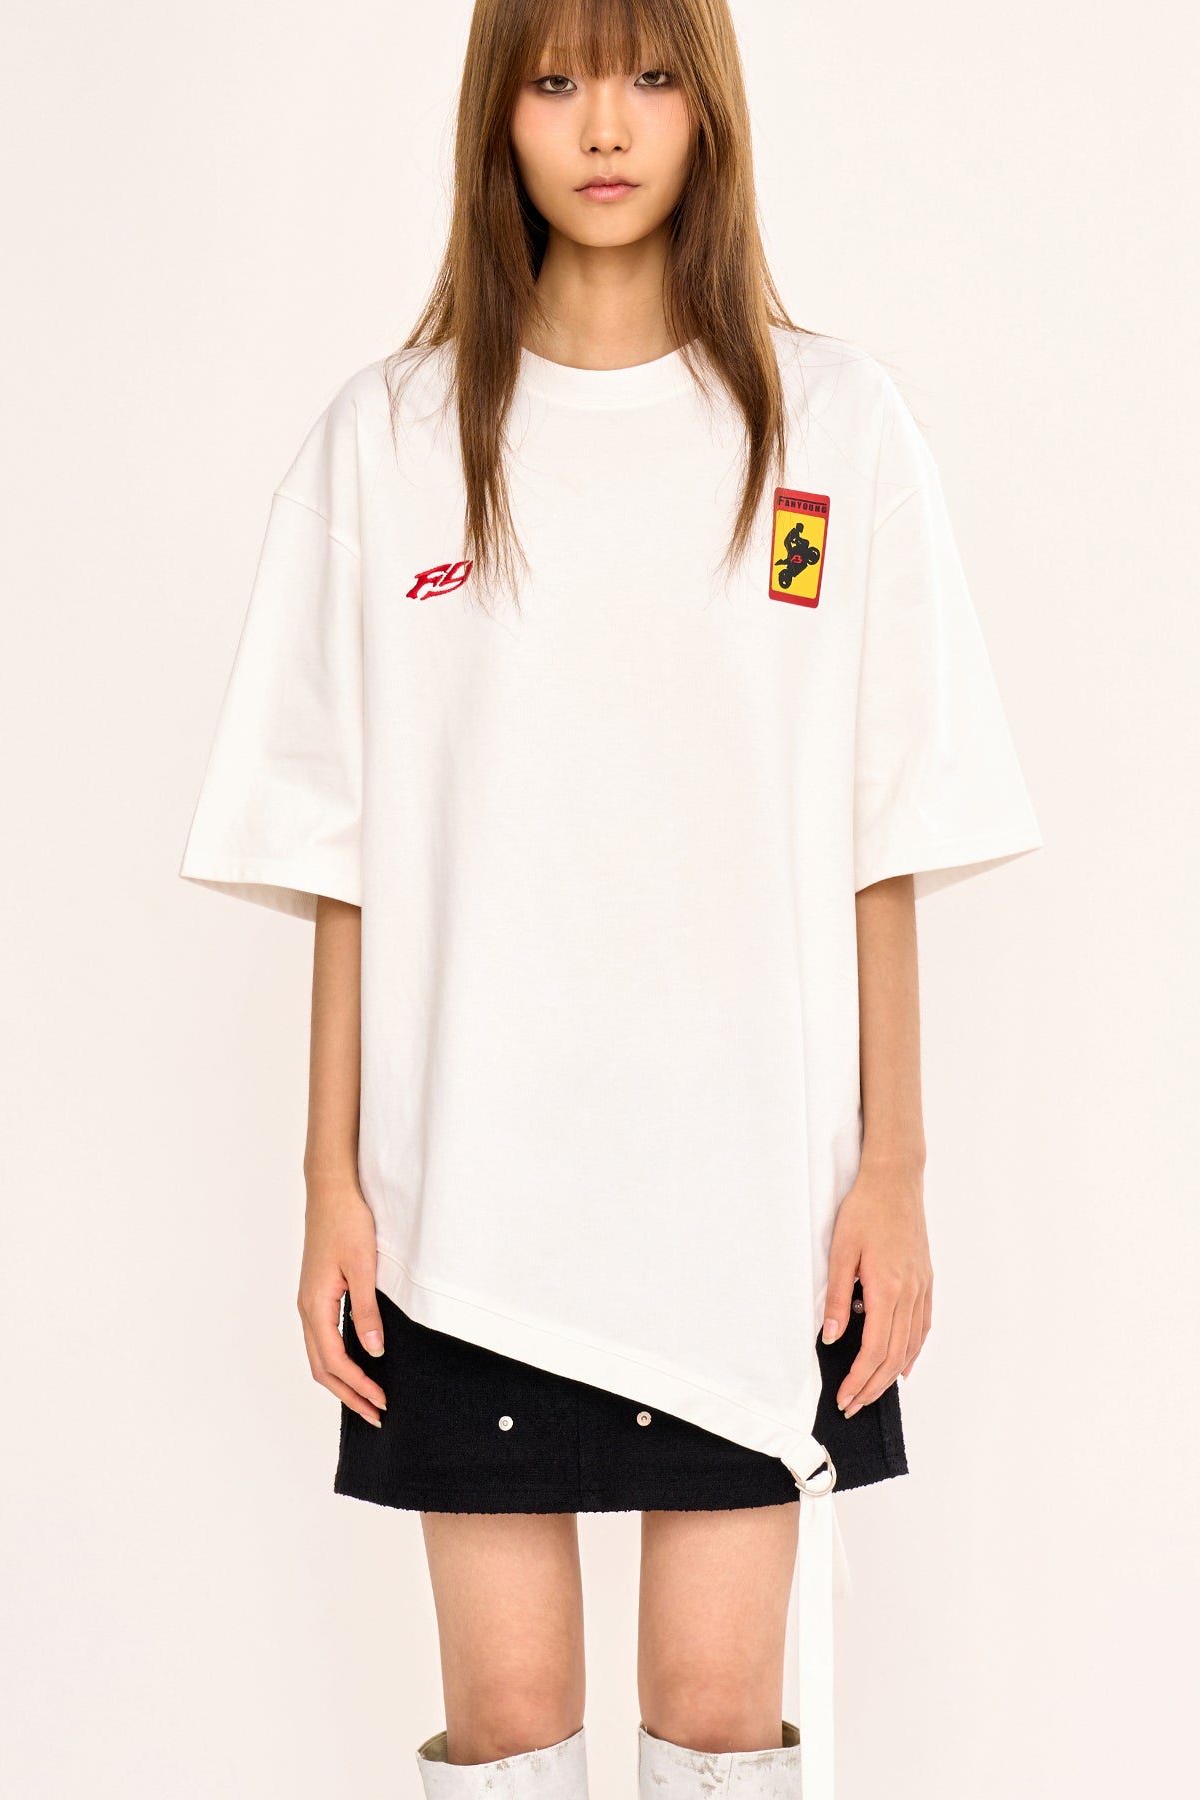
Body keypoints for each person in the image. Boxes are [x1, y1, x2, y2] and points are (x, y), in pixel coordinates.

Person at [177, 2, 1043, 1796]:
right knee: (507, 1726)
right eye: (557, 79)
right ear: (497, 115)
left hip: (752, 1209)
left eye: (650, 77)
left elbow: (882, 829)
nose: (604, 127)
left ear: (708, 107)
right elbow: (345, 854)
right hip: (468, 1201)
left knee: (720, 1719)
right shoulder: (391, 439)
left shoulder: (834, 428)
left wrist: (895, 1168)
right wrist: (328, 1180)